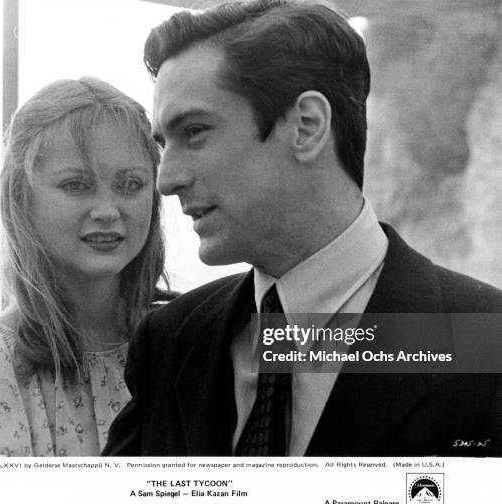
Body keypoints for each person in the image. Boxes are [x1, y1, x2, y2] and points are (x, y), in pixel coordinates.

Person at [104, 0, 502, 457]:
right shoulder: (170, 342)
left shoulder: (487, 342)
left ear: (307, 127)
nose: (166, 179)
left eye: (194, 131)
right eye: (163, 144)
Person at [0, 77, 170, 457]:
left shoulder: (190, 338)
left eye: (131, 184)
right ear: (21, 198)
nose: (108, 211)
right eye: (76, 185)